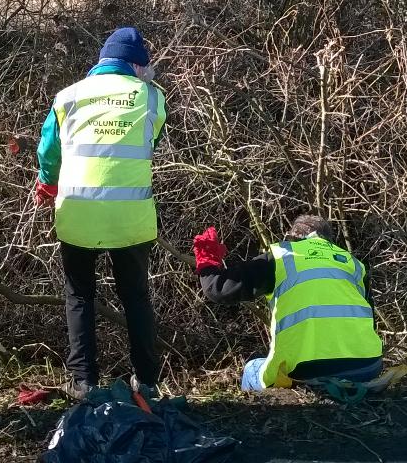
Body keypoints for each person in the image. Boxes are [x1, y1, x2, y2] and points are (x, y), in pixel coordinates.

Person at [35, 27, 167, 399]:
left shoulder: (68, 96)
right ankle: (148, 382)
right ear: (137, 65)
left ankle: (84, 382)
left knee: (79, 296)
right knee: (136, 297)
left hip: (78, 214)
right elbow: (149, 140)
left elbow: (48, 151)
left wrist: (47, 184)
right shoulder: (153, 98)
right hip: (131, 216)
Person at [191, 215, 383, 391]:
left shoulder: (281, 256)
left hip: (306, 369)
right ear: (329, 240)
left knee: (251, 368)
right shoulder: (354, 264)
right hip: (368, 366)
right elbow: (369, 321)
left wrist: (207, 259)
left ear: (292, 238)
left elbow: (217, 289)